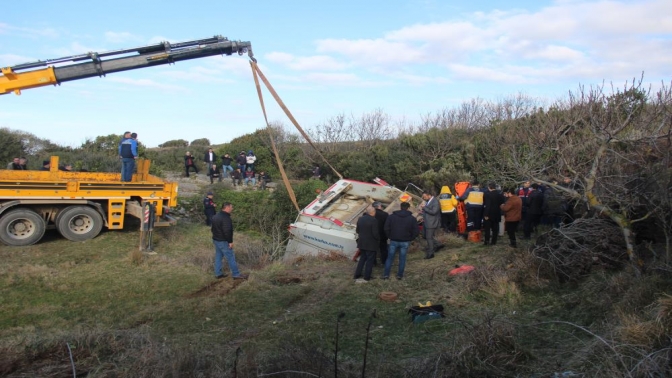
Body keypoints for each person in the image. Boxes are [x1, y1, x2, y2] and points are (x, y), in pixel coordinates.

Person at [211, 202, 248, 280]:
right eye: (231, 207)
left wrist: (215, 237)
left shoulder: (215, 216)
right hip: (223, 241)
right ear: (227, 207)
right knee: (231, 257)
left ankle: (218, 273)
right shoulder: (226, 218)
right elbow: (227, 231)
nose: (232, 208)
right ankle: (236, 274)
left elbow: (212, 229)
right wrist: (230, 242)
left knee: (218, 256)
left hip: (216, 240)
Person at [383, 201, 419, 280]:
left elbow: (386, 228)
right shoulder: (412, 218)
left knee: (389, 258)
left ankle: (386, 275)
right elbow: (416, 231)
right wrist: (411, 238)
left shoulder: (391, 217)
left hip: (393, 240)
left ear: (400, 207)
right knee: (402, 259)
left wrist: (389, 236)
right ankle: (399, 275)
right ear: (408, 208)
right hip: (405, 241)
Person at [354, 206, 379, 283]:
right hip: (371, 243)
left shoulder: (360, 219)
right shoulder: (374, 220)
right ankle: (367, 276)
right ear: (372, 212)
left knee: (362, 259)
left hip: (362, 242)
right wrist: (378, 239)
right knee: (369, 260)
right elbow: (375, 233)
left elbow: (357, 230)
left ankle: (357, 274)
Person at [419, 190, 442, 259]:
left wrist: (424, 208)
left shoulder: (435, 201)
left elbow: (434, 212)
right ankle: (438, 245)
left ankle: (430, 253)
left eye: (424, 196)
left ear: (429, 195)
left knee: (429, 237)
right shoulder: (428, 201)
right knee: (424, 235)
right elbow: (429, 210)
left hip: (431, 223)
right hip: (427, 222)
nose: (424, 198)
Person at [482, 182, 505, 246]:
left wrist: (486, 214)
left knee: (487, 229)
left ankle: (486, 241)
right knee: (495, 229)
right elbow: (502, 203)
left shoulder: (487, 194)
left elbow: (487, 205)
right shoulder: (500, 194)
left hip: (489, 214)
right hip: (497, 213)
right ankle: (494, 242)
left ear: (489, 187)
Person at [372, 201, 389, 266]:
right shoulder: (385, 214)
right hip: (382, 235)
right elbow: (387, 225)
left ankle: (373, 263)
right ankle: (384, 262)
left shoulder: (368, 214)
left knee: (372, 250)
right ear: (379, 206)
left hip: (372, 235)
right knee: (383, 249)